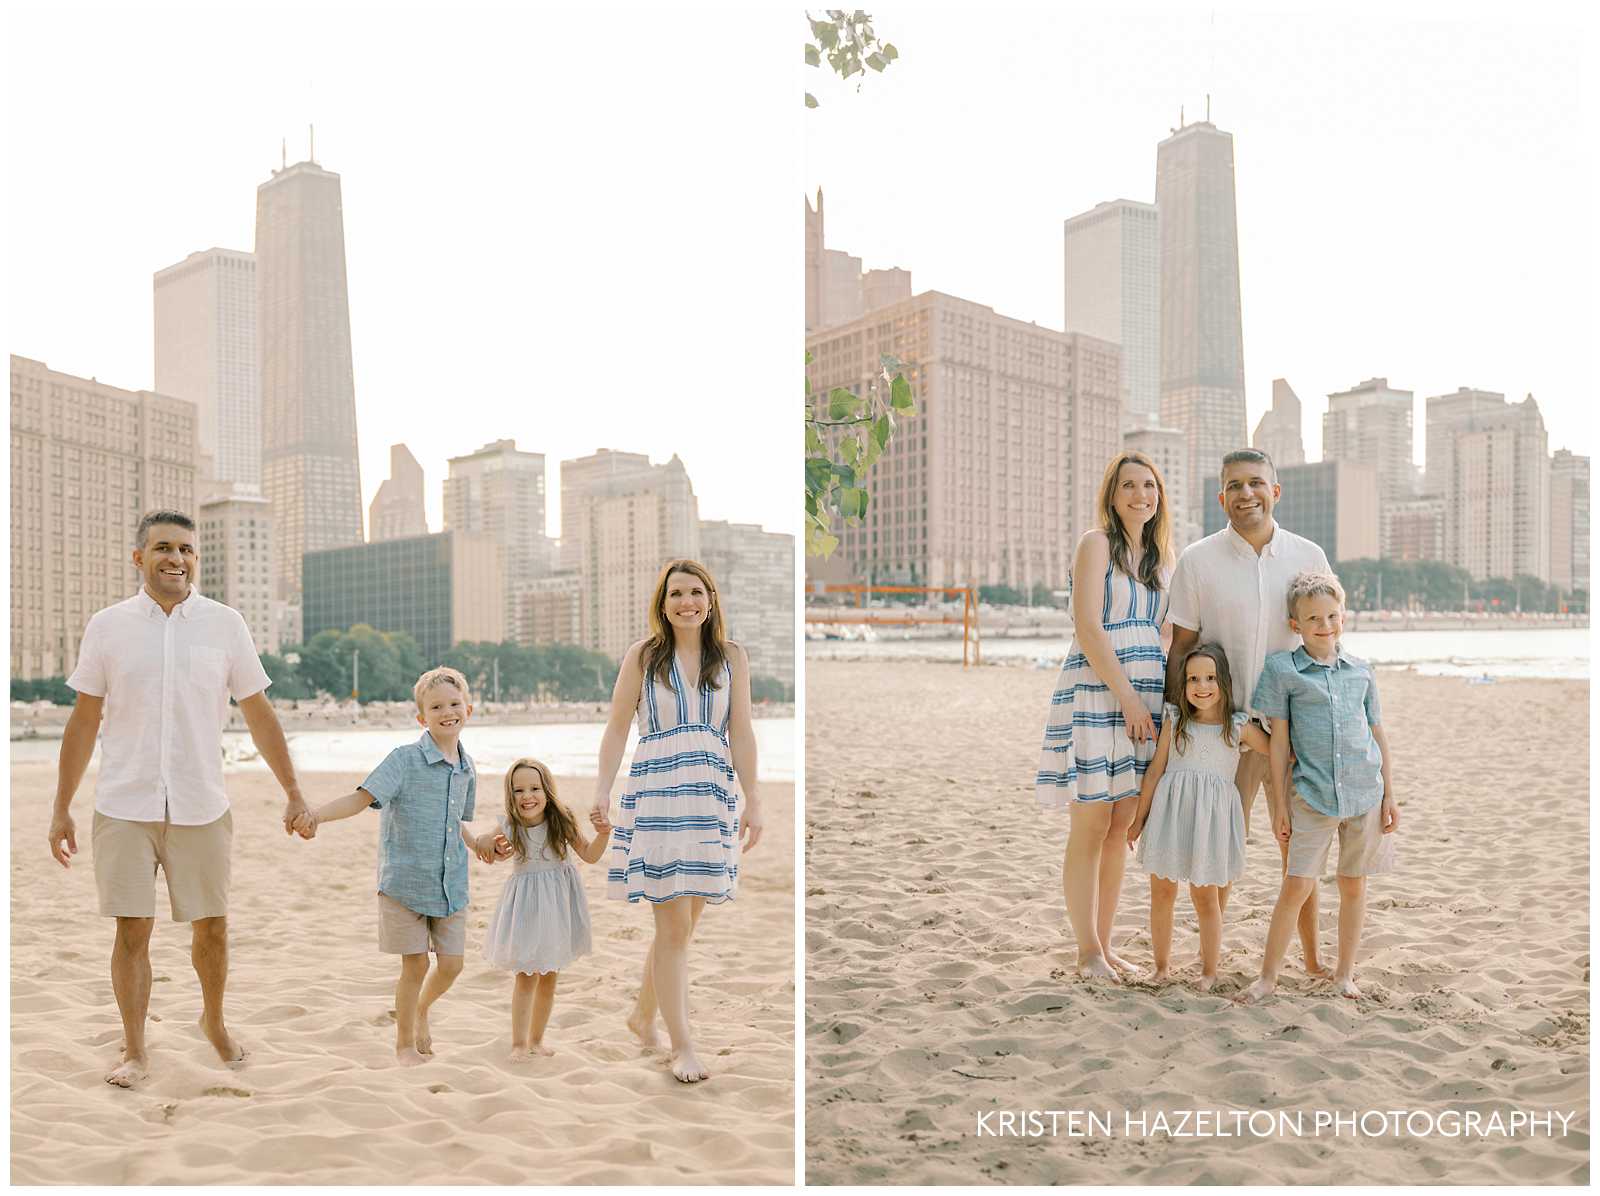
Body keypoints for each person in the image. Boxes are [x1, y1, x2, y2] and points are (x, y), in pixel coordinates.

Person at [46, 510, 308, 1088]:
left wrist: (292, 791)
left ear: (196, 558)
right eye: (163, 547)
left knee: (212, 928)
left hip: (201, 803)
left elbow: (258, 713)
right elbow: (84, 720)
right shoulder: (108, 626)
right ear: (138, 557)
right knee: (131, 932)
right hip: (123, 803)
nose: (177, 558)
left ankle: (213, 1022)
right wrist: (61, 806)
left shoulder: (226, 624)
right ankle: (135, 1049)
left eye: (187, 549)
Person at [591, 559, 764, 1083]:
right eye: (675, 595)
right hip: (658, 794)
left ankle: (643, 1016)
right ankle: (683, 1045)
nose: (686, 602)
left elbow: (743, 730)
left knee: (684, 929)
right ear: (662, 605)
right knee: (671, 927)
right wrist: (602, 790)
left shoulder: (731, 657)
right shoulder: (644, 657)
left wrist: (754, 798)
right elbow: (618, 727)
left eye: (695, 592)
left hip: (711, 796)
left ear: (710, 599)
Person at [1165, 448, 1331, 978]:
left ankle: (1311, 960)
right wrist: (1176, 720)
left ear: (1275, 491)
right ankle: (1211, 959)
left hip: (1291, 729)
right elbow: (1182, 646)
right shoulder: (1197, 560)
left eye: (1256, 483)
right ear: (1221, 498)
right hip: (1224, 732)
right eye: (1234, 485)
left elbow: (1324, 638)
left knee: (1296, 850)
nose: (1246, 494)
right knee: (1219, 845)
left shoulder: (1308, 556)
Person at [295, 666, 509, 1065]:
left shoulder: (467, 766)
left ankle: (422, 1010)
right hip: (405, 884)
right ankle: (404, 1044)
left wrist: (480, 842)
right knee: (415, 965)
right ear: (421, 717)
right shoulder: (404, 760)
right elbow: (361, 798)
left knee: (452, 965)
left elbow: (459, 822)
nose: (447, 712)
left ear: (469, 709)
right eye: (436, 707)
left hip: (451, 885)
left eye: (454, 704)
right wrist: (317, 816)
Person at [1034, 452, 1173, 981]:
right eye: (1130, 486)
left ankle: (1107, 945)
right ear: (1112, 497)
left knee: (1122, 825)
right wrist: (1128, 699)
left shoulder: (1161, 561)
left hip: (1147, 692)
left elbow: (1164, 634)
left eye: (1150, 486)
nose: (1142, 495)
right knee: (1091, 821)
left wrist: (1155, 700)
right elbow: (1088, 628)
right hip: (1100, 690)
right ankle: (1086, 949)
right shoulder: (1095, 545)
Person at [1237, 571, 1398, 1004]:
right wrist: (1279, 807)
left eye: (1332, 615)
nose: (1325, 625)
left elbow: (1377, 734)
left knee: (1353, 884)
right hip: (1311, 795)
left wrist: (1390, 794)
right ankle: (1267, 978)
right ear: (1297, 625)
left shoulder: (1361, 671)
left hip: (1364, 793)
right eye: (1313, 618)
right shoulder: (1283, 670)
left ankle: (1345, 975)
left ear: (1343, 616)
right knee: (1296, 885)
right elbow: (1279, 741)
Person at [1127, 643, 1269, 991]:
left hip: (1211, 822)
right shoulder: (1175, 720)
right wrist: (1138, 820)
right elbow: (1154, 772)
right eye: (1193, 678)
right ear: (1184, 683)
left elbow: (1280, 750)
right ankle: (1161, 967)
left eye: (1210, 677)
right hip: (1169, 815)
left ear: (1224, 681)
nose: (1201, 686)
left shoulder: (1238, 728)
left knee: (1205, 898)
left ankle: (1208, 972)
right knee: (1162, 892)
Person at [481, 757, 610, 1059]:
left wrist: (604, 834)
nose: (527, 796)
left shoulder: (560, 819)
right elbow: (490, 846)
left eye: (535, 788)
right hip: (527, 907)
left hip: (558, 906)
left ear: (547, 789)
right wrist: (488, 840)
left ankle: (537, 1040)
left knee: (550, 976)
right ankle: (518, 1043)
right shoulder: (510, 825)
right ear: (510, 795)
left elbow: (590, 855)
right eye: (518, 791)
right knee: (527, 975)